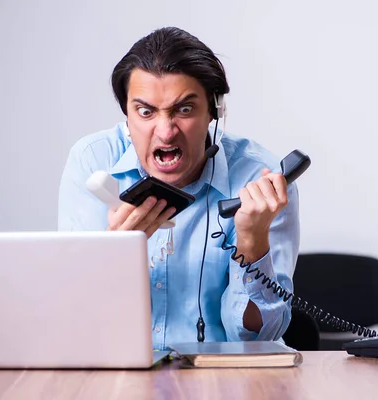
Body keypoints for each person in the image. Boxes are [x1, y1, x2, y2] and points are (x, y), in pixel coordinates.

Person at [57, 27, 300, 350]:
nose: (166, 132)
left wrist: (252, 243)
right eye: (145, 112)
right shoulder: (92, 160)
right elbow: (75, 320)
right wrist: (111, 257)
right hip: (121, 377)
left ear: (215, 112)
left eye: (184, 110)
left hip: (225, 381)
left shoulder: (258, 178)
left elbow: (257, 339)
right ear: (127, 116)